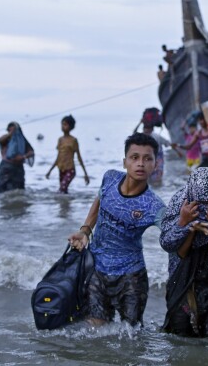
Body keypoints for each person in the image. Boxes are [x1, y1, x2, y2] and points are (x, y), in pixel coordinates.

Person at [68, 133, 166, 327]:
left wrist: (188, 223)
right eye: (134, 157)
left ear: (155, 165)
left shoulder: (155, 207)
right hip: (96, 269)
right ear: (125, 162)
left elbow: (173, 235)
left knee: (132, 336)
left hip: (131, 277)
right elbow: (100, 199)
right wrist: (85, 230)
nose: (140, 164)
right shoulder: (110, 178)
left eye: (148, 159)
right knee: (96, 333)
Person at [160, 167, 208, 337]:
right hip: (184, 275)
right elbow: (167, 243)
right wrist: (184, 223)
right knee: (180, 332)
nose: (207, 207)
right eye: (202, 202)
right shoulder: (180, 202)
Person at [45, 115, 90, 194]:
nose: (63, 126)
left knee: (62, 189)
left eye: (65, 124)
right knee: (63, 191)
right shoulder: (60, 140)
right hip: (61, 168)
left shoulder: (73, 140)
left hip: (70, 169)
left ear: (71, 126)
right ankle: (65, 206)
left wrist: (85, 174)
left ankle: (64, 204)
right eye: (62, 124)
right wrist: (50, 171)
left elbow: (79, 157)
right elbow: (58, 157)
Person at [0, 122, 35, 193]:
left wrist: (23, 157)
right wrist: (11, 134)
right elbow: (0, 140)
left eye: (15, 129)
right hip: (6, 167)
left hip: (18, 168)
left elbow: (31, 152)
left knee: (18, 189)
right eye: (11, 129)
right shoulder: (5, 139)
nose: (14, 131)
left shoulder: (22, 140)